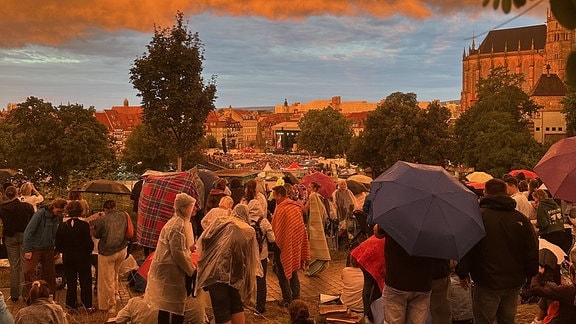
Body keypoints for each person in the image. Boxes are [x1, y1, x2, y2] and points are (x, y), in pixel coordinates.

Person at [456, 178, 539, 324]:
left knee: (484, 320)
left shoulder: (478, 217)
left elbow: (468, 246)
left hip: (486, 280)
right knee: (507, 320)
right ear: (506, 192)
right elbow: (531, 248)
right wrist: (531, 273)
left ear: (485, 192)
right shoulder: (520, 219)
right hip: (514, 281)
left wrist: (462, 272)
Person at [196, 199, 262, 324]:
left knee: (221, 308)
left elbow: (204, 240)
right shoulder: (248, 231)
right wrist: (249, 286)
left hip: (215, 271)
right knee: (235, 304)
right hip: (236, 273)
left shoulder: (220, 222)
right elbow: (251, 260)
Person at [144, 193, 197, 324]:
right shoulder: (177, 225)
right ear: (184, 208)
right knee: (173, 305)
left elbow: (179, 247)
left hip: (172, 270)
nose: (194, 210)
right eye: (192, 207)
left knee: (167, 305)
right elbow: (177, 252)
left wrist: (188, 249)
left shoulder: (182, 223)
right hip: (171, 272)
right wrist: (191, 270)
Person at [374, 224, 436, 324]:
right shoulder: (434, 219)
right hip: (423, 282)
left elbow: (378, 233)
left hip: (396, 281)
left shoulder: (396, 212)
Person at [271, 185, 310, 307]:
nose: (273, 198)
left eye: (275, 195)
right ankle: (296, 296)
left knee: (282, 272)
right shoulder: (295, 207)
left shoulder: (282, 208)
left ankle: (287, 298)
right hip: (294, 243)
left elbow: (276, 228)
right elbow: (300, 226)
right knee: (293, 269)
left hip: (283, 244)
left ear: (279, 195)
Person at [54, 200, 95, 312]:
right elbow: (88, 242)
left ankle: (70, 305)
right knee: (85, 281)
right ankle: (88, 305)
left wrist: (62, 250)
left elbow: (58, 242)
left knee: (71, 281)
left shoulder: (62, 225)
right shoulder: (84, 225)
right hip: (83, 257)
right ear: (80, 211)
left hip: (68, 256)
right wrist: (89, 249)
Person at [23, 198, 67, 297]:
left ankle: (49, 296)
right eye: (59, 211)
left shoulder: (58, 217)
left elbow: (57, 234)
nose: (59, 213)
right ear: (54, 207)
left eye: (62, 212)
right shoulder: (40, 214)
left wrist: (57, 249)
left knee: (50, 273)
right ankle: (33, 294)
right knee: (28, 270)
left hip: (49, 248)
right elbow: (28, 231)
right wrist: (27, 249)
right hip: (35, 247)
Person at [93, 200, 130, 317]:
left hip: (107, 252)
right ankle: (116, 294)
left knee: (107, 279)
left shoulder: (102, 220)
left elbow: (97, 234)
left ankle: (111, 305)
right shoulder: (124, 215)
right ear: (115, 206)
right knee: (115, 273)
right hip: (122, 249)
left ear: (105, 209)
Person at [0, 186, 34, 302]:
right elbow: (32, 222)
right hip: (25, 236)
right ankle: (25, 294)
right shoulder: (27, 207)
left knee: (14, 265)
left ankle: (14, 294)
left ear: (6, 195)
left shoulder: (2, 208)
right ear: (17, 193)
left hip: (9, 237)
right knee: (25, 265)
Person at [247, 199, 275, 314]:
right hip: (261, 255)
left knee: (248, 279)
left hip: (248, 255)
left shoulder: (246, 221)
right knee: (261, 280)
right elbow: (272, 238)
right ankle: (260, 305)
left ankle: (248, 301)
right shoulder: (264, 222)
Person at [304, 181, 331, 275]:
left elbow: (305, 209)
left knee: (313, 245)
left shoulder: (312, 196)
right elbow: (323, 210)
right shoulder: (319, 197)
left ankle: (312, 268)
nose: (308, 189)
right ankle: (317, 266)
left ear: (314, 189)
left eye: (310, 187)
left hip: (313, 224)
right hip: (318, 223)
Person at [533, 189, 572, 254]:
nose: (534, 202)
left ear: (538, 198)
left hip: (549, 235)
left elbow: (544, 224)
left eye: (535, 199)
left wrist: (537, 224)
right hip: (561, 232)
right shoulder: (554, 203)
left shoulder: (541, 206)